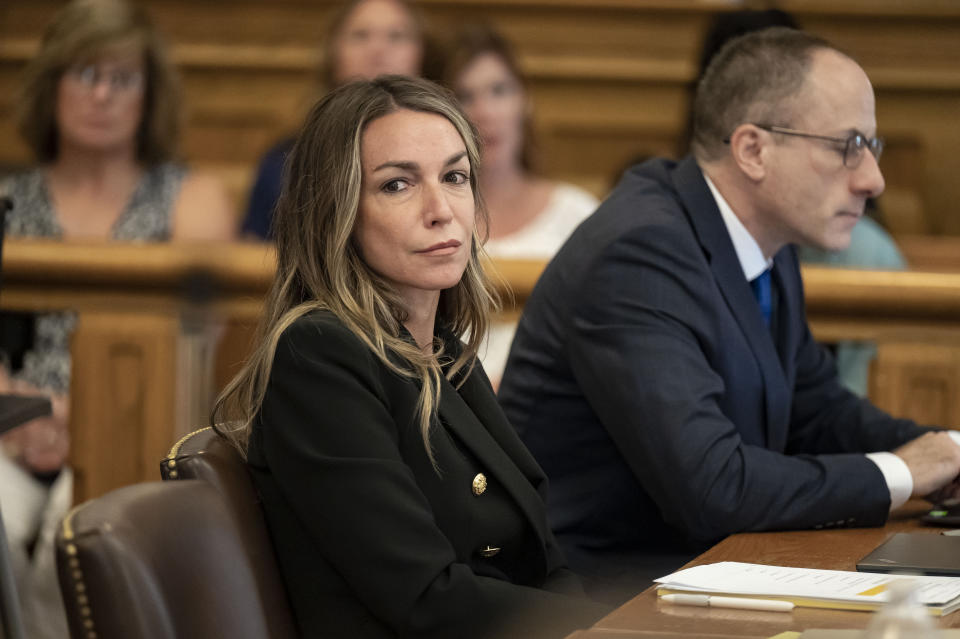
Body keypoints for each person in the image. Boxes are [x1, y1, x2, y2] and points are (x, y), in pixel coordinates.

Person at [498, 27, 960, 605]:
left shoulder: (763, 237)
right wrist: (905, 472)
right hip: (597, 600)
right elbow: (711, 486)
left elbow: (815, 409)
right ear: (752, 150)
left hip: (704, 572)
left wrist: (947, 453)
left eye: (873, 146)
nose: (873, 179)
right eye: (848, 146)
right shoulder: (640, 252)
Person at [213, 76, 610, 638]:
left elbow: (545, 562)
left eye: (454, 177)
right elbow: (426, 598)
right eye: (397, 185)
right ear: (338, 211)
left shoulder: (444, 350)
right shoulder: (320, 353)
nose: (440, 209)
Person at [0, 1, 234, 635]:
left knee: (73, 538)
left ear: (148, 95)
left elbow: (195, 341)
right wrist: (18, 411)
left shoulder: (193, 198)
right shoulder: (7, 200)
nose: (102, 95)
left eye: (123, 78)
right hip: (12, 430)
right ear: (51, 84)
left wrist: (89, 416)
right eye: (84, 73)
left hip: (145, 422)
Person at [444, 25, 597, 382]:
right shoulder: (431, 218)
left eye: (499, 90)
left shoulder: (578, 213)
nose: (485, 112)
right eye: (465, 95)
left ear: (523, 102)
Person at [241, 0, 428, 239]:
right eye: (360, 35)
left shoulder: (447, 148)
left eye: (396, 36)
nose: (378, 49)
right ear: (334, 54)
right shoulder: (285, 162)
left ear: (420, 54)